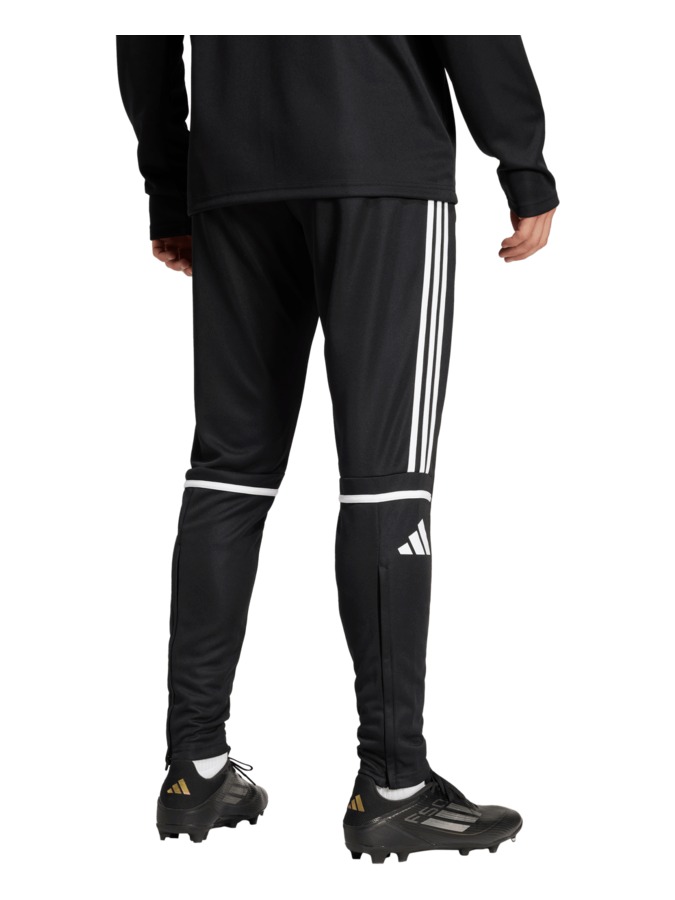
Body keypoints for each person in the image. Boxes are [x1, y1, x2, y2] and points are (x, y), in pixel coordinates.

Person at [117, 35, 558, 861]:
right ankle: (393, 786)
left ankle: (194, 769)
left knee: (228, 473)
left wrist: (171, 192)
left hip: (233, 177)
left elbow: (140, 32)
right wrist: (521, 159)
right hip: (379, 158)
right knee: (387, 482)